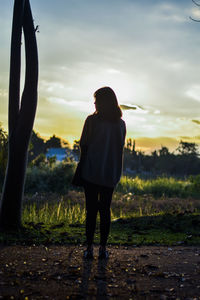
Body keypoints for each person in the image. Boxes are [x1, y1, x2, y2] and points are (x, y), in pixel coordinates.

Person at [79, 86, 126, 259]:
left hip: (91, 172)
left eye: (97, 100)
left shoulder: (91, 121)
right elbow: (119, 147)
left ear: (103, 102)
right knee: (105, 210)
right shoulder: (121, 124)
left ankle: (89, 248)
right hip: (110, 173)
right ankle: (103, 249)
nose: (94, 103)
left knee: (91, 210)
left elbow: (84, 144)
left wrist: (81, 168)